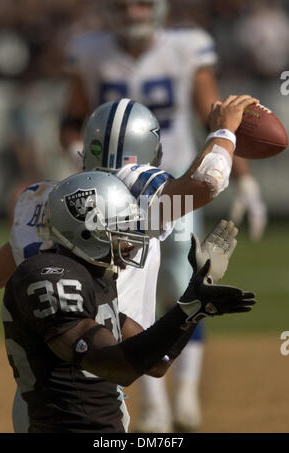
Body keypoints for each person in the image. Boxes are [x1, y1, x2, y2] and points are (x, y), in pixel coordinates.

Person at [0, 93, 257, 432]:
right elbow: (207, 181)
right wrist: (223, 132)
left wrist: (193, 306)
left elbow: (154, 360)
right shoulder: (125, 203)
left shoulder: (52, 208)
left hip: (86, 394)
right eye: (123, 235)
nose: (131, 245)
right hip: (68, 403)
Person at [60, 0, 267, 431]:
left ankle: (183, 397)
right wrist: (230, 156)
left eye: (140, 4)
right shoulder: (91, 50)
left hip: (169, 189)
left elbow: (206, 112)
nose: (132, 13)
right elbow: (71, 117)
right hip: (145, 195)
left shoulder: (186, 46)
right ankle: (154, 405)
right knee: (165, 291)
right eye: (123, 5)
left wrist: (242, 174)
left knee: (165, 286)